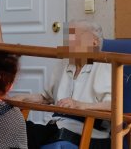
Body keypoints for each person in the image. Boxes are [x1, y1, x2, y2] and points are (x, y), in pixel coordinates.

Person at [11, 20, 111, 149]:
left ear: (94, 42)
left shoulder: (105, 66)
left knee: (26, 136)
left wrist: (79, 105)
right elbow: (46, 97)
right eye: (68, 38)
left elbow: (112, 105)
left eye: (75, 37)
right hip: (55, 126)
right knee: (16, 131)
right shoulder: (64, 63)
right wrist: (23, 98)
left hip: (87, 132)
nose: (69, 43)